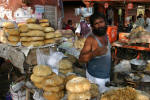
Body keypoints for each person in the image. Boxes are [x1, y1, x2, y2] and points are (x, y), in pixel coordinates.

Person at [79, 13, 111, 93]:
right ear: (92, 26)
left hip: (106, 75)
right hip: (95, 78)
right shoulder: (91, 39)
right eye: (96, 23)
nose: (100, 25)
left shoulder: (105, 35)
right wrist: (94, 54)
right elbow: (81, 58)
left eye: (101, 22)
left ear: (105, 22)